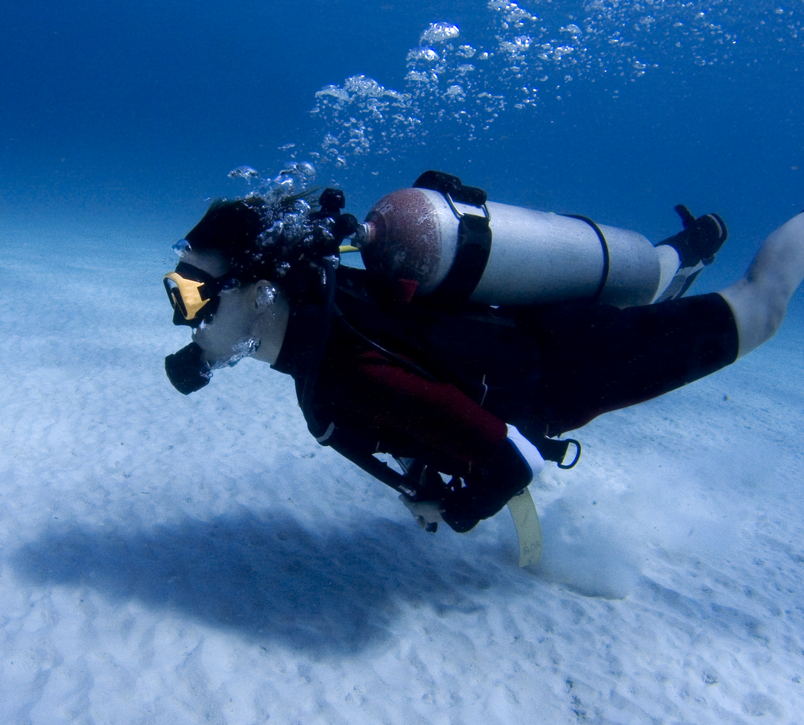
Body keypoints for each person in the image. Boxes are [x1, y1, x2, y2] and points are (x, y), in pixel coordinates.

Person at [162, 170, 804, 538]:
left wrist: (455, 508)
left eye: (190, 294)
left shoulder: (345, 368)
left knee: (762, 306)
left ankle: (693, 253)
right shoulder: (329, 305)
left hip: (574, 366)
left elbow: (509, 465)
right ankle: (688, 246)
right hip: (533, 320)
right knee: (651, 282)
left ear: (260, 290)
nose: (182, 316)